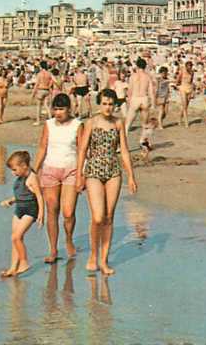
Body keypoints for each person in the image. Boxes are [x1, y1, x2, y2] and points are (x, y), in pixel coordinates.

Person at [76, 88, 137, 275]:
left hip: (113, 171)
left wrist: (131, 176)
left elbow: (124, 151)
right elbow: (83, 149)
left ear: (115, 105)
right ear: (99, 103)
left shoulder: (119, 123)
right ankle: (93, 255)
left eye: (111, 104)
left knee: (109, 216)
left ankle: (104, 259)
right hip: (94, 169)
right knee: (98, 217)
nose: (108, 107)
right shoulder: (91, 122)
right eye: (104, 103)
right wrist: (79, 175)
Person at [34, 94, 83, 263]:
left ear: (69, 109)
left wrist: (81, 175)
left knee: (68, 212)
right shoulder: (48, 124)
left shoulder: (77, 125)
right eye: (55, 109)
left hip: (71, 170)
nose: (58, 113)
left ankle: (68, 238)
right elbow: (42, 147)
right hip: (50, 169)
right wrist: (35, 170)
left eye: (61, 109)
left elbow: (82, 150)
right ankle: (53, 249)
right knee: (52, 209)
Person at [0, 150, 44, 278]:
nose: (13, 173)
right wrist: (11, 200)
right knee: (15, 238)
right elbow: (20, 194)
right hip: (19, 208)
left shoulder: (32, 178)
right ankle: (13, 268)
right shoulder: (20, 178)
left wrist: (41, 213)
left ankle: (24, 262)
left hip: (30, 210)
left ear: (24, 166)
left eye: (14, 170)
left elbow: (39, 196)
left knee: (16, 237)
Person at [125, 58, 155, 145]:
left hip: (135, 98)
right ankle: (142, 140)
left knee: (128, 124)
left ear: (137, 66)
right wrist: (153, 105)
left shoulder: (133, 76)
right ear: (145, 66)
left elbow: (129, 91)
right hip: (144, 98)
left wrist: (128, 102)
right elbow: (151, 92)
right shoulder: (147, 77)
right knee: (145, 124)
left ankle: (122, 144)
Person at [32, 61, 54, 125]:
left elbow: (37, 84)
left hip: (40, 90)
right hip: (47, 90)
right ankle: (50, 118)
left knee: (39, 106)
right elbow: (52, 81)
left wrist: (33, 93)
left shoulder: (39, 74)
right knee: (46, 105)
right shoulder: (49, 73)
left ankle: (38, 121)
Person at [175, 61, 195, 128]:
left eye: (191, 66)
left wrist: (192, 91)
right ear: (186, 66)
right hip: (182, 88)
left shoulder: (192, 72)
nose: (189, 67)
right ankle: (186, 122)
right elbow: (178, 80)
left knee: (185, 106)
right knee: (184, 105)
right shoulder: (182, 71)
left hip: (189, 88)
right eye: (188, 66)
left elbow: (191, 81)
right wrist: (177, 85)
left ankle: (179, 119)